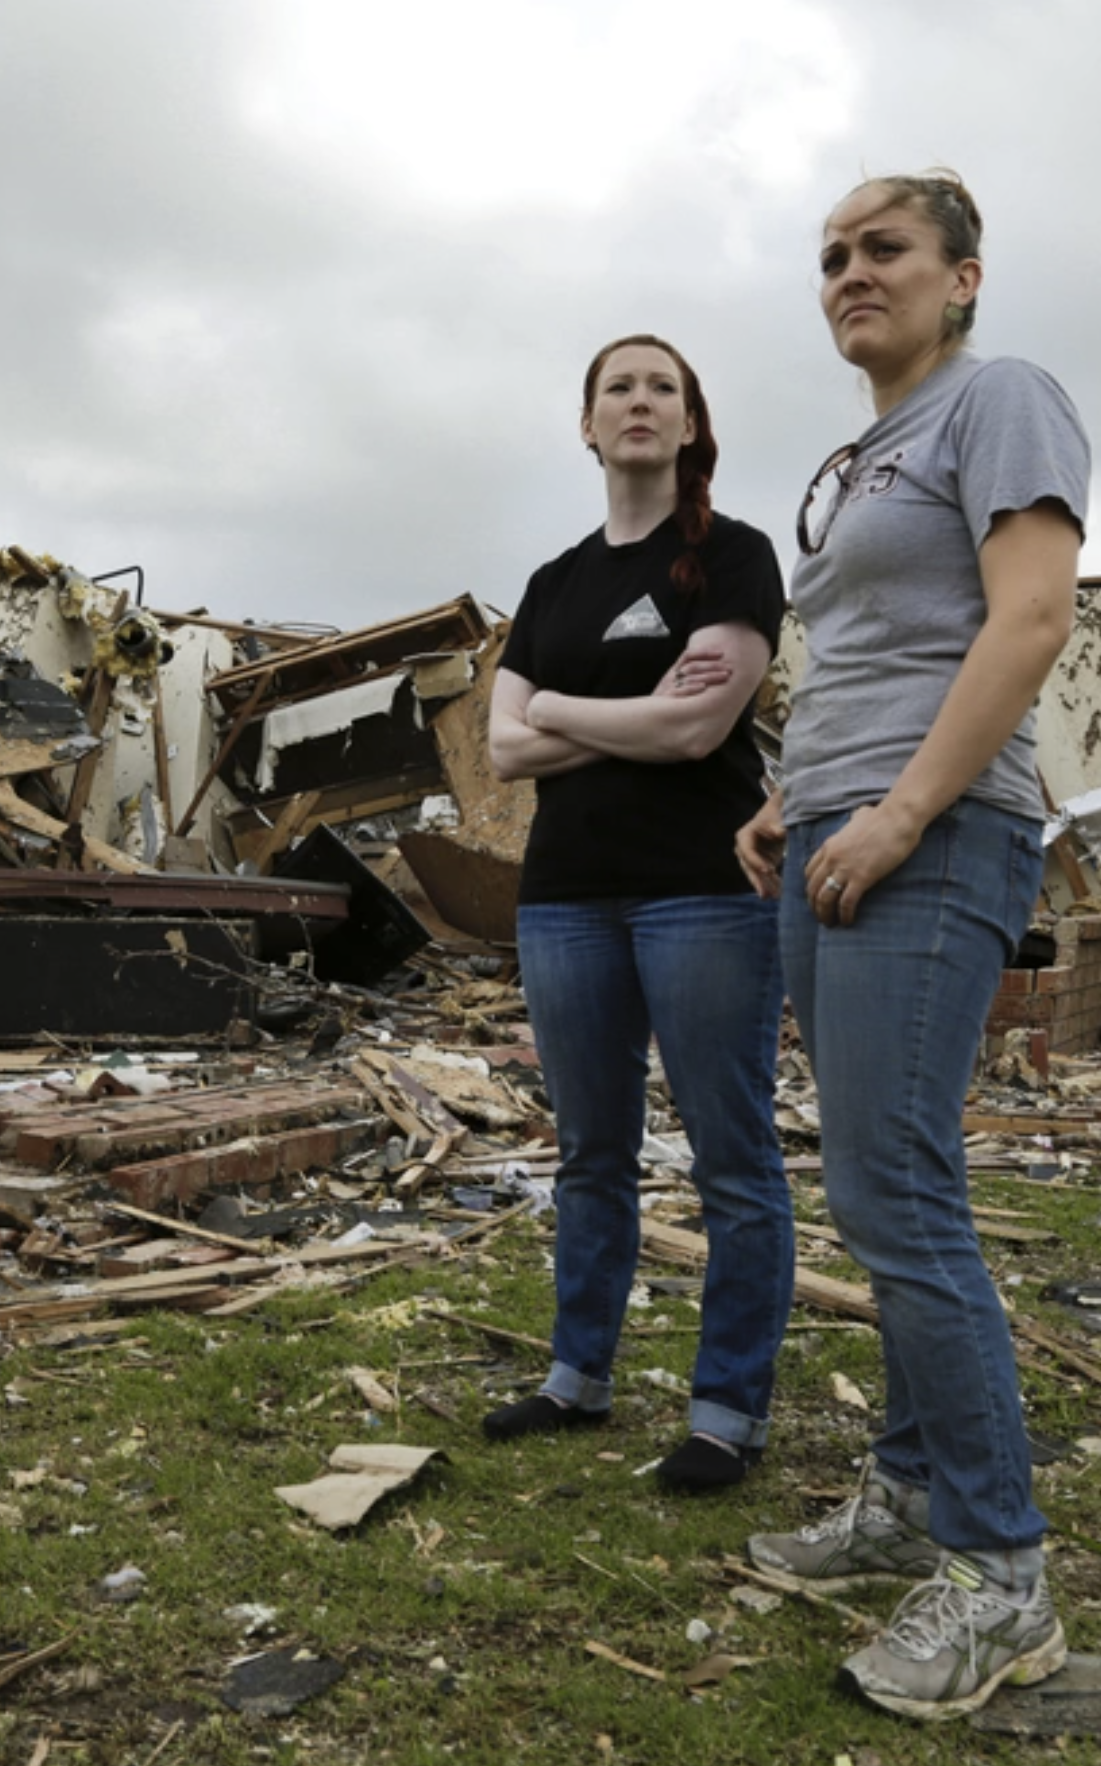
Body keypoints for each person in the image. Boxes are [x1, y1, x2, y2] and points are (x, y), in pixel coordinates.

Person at [734, 170, 1089, 1720]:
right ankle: (899, 1495)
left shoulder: (996, 398)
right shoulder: (863, 452)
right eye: (828, 258)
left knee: (897, 1191)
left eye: (881, 249)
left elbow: (1026, 620)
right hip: (835, 832)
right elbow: (873, 651)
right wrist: (792, 798)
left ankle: (998, 1576)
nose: (846, 275)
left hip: (931, 836)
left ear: (962, 276)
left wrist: (890, 813)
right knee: (873, 1186)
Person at [482, 334, 794, 1494]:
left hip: (701, 891)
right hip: (564, 896)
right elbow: (500, 750)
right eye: (619, 385)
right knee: (590, 1154)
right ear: (588, 423)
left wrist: (559, 703)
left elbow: (696, 731)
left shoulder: (734, 558)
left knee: (734, 1158)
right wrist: (622, 705)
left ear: (692, 421)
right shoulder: (554, 584)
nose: (640, 401)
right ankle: (578, 1376)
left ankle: (725, 1411)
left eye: (664, 385)